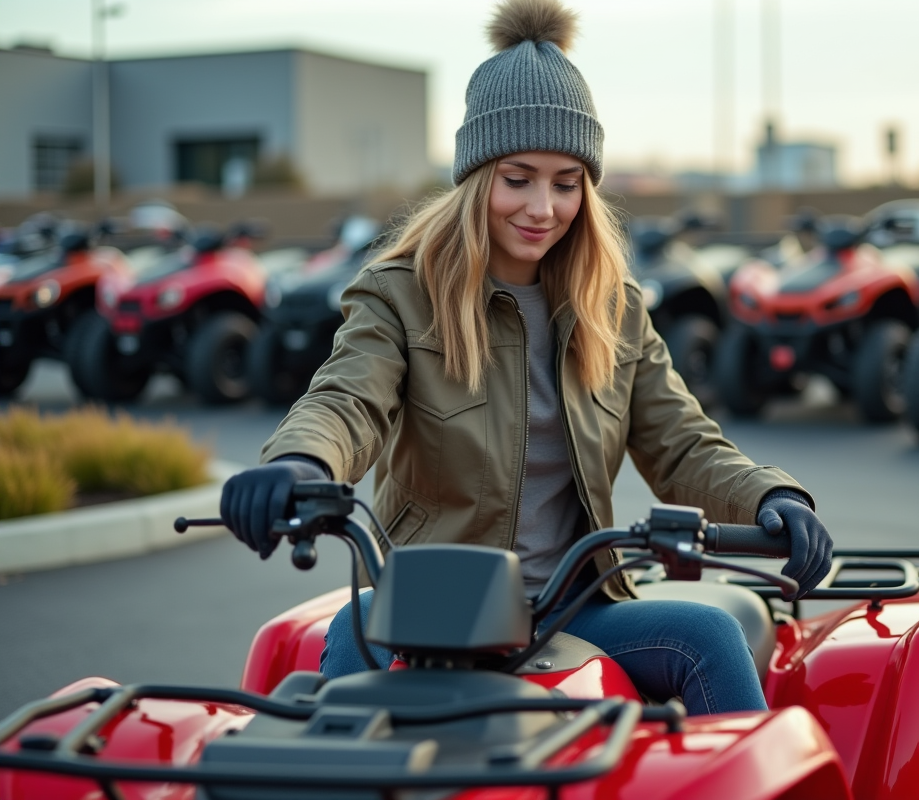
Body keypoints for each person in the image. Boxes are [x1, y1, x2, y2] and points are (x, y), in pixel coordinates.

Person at [219, 0, 832, 716]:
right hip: (422, 607)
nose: (543, 206)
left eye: (567, 182)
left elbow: (682, 443)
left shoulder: (616, 309)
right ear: (478, 176)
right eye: (519, 178)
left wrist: (771, 496)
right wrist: (300, 465)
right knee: (337, 717)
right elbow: (345, 401)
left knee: (711, 637)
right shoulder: (400, 294)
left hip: (576, 602)